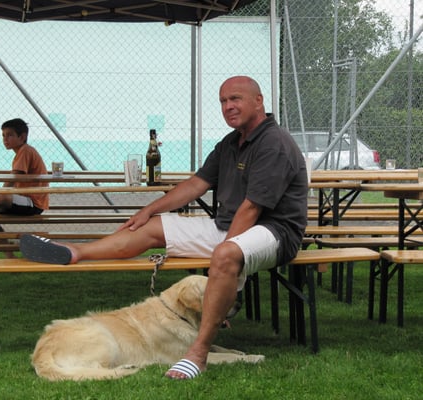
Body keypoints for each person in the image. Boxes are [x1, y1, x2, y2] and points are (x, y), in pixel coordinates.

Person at [19, 76, 308, 379]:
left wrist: (226, 268)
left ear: (259, 101)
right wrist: (149, 210)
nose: (228, 106)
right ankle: (76, 251)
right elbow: (196, 185)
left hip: (275, 232)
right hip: (229, 227)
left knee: (226, 255)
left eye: (235, 99)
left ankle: (197, 354)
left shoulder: (274, 143)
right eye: (223, 101)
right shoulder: (230, 143)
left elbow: (251, 209)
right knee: (152, 227)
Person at [0, 118, 49, 215]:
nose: (5, 139)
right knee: (1, 198)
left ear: (22, 137)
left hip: (34, 203)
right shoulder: (23, 152)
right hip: (26, 200)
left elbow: (12, 180)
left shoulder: (25, 150)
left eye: (10, 135)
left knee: (2, 198)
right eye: (3, 135)